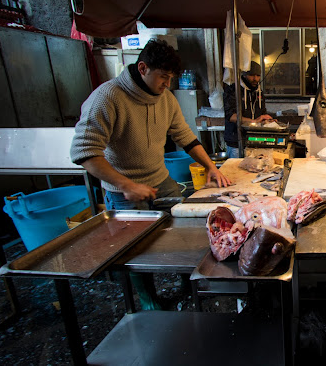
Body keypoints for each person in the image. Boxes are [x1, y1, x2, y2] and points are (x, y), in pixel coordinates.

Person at [70, 39, 231, 309]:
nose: (167, 84)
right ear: (143, 68)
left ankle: (186, 285)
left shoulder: (165, 99)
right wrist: (125, 184)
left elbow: (185, 137)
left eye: (171, 78)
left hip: (161, 181)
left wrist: (211, 167)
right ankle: (149, 302)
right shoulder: (107, 97)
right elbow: (85, 152)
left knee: (180, 235)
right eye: (163, 77)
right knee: (134, 252)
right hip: (123, 192)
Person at [223, 61, 274, 158]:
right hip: (236, 142)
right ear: (244, 75)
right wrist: (254, 121)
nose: (255, 79)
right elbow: (230, 116)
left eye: (258, 75)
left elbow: (262, 113)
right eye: (251, 75)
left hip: (255, 141)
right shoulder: (233, 90)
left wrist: (268, 121)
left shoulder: (258, 92)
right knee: (236, 170)